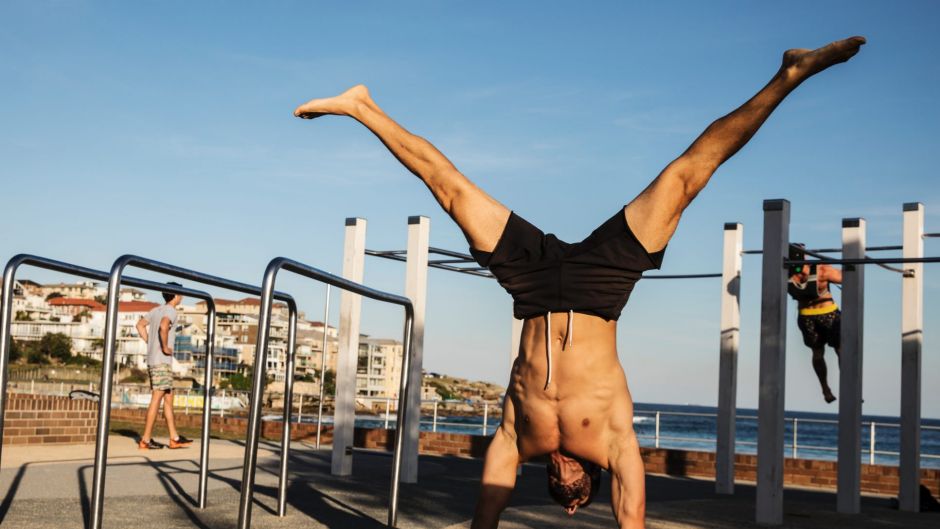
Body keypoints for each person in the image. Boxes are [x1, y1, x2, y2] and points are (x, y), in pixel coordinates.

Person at [293, 36, 865, 528]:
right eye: (577, 492)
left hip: (532, 286)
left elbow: (485, 516)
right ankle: (790, 74)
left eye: (562, 490)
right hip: (601, 288)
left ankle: (361, 107)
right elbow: (632, 517)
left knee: (449, 188)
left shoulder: (521, 442)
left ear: (553, 483)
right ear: (586, 484)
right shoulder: (614, 445)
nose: (570, 487)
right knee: (687, 175)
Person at [135, 282, 192, 450]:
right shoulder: (170, 311)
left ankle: (174, 438)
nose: (182, 296)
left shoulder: (155, 310)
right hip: (161, 361)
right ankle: (145, 440)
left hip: (156, 360)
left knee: (168, 398)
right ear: (175, 295)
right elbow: (163, 326)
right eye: (181, 293)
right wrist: (165, 346)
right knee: (156, 399)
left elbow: (139, 325)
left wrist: (149, 342)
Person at [788, 245, 843, 403]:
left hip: (807, 317)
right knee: (840, 350)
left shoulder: (784, 272)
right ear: (804, 256)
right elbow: (848, 276)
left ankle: (825, 389)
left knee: (819, 354)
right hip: (827, 314)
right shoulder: (822, 270)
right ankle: (839, 385)